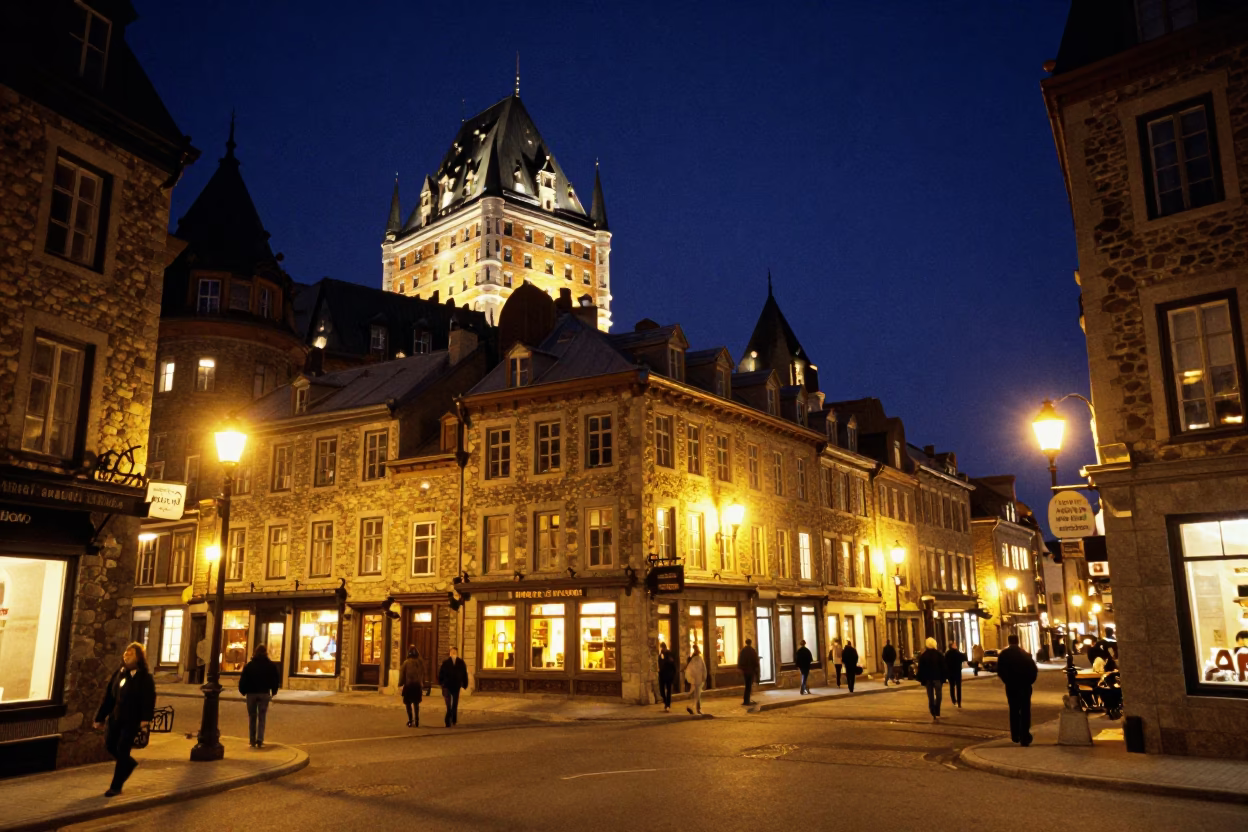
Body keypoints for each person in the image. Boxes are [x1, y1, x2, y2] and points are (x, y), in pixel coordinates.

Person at [93, 642, 155, 797]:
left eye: (131, 653)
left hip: (131, 720)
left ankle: (116, 786)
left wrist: (145, 719)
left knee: (122, 749)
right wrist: (100, 718)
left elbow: (149, 699)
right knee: (110, 745)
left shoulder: (144, 678)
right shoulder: (118, 674)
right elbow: (109, 698)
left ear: (139, 658)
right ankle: (129, 764)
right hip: (115, 718)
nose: (127, 655)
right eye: (126, 653)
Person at [997, 634, 1039, 746]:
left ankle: (1015, 734)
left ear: (1009, 641)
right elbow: (1034, 671)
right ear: (1018, 641)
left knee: (1014, 710)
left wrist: (1007, 681)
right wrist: (1029, 681)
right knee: (1025, 710)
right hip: (1025, 686)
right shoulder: (1025, 654)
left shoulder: (1004, 654)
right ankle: (1025, 734)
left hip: (1011, 686)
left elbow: (1000, 671)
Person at [238, 644, 280, 748]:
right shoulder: (270, 665)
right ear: (265, 653)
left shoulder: (249, 666)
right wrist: (274, 691)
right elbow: (275, 679)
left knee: (252, 716)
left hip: (251, 694)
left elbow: (243, 681)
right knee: (262, 717)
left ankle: (252, 740)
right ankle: (260, 739)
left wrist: (243, 691)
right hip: (264, 693)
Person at [438, 646, 469, 727]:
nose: (453, 654)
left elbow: (464, 674)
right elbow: (464, 674)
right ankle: (451, 719)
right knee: (452, 703)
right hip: (451, 685)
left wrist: (441, 682)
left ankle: (451, 719)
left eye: (454, 652)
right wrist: (464, 683)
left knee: (452, 704)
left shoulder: (458, 662)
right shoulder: (450, 662)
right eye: (452, 652)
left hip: (451, 685)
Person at [917, 637, 946, 721]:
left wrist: (922, 679)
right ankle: (937, 709)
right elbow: (943, 667)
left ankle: (932, 710)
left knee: (930, 695)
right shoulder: (939, 654)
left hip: (928, 679)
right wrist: (944, 678)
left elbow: (921, 669)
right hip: (937, 678)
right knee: (939, 694)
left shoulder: (923, 656)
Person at [399, 647, 426, 727]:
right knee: (416, 703)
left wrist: (400, 683)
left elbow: (402, 674)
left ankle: (411, 720)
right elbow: (423, 674)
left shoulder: (406, 663)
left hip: (409, 685)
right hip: (417, 686)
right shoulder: (420, 663)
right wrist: (422, 683)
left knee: (408, 703)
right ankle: (417, 719)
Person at [684, 645, 707, 715]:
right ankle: (694, 708)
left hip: (694, 679)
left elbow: (689, 669)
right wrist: (704, 677)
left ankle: (693, 707)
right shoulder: (699, 659)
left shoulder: (692, 659)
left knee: (695, 693)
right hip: (698, 679)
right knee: (697, 694)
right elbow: (704, 669)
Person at [945, 640, 967, 708]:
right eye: (954, 644)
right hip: (957, 672)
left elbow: (945, 662)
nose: (956, 645)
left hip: (950, 672)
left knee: (952, 686)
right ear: (952, 646)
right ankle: (959, 702)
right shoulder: (957, 653)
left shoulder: (947, 653)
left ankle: (954, 700)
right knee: (958, 687)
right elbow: (964, 658)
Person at [738, 638, 760, 705]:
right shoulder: (752, 651)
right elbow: (755, 662)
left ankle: (746, 700)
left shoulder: (743, 651)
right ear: (750, 643)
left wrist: (741, 669)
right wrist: (757, 672)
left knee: (747, 685)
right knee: (749, 686)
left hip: (745, 671)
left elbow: (740, 661)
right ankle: (747, 700)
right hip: (751, 671)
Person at [657, 643, 677, 712]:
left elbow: (673, 665)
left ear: (665, 648)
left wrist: (673, 675)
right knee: (661, 691)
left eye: (662, 648)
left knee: (668, 691)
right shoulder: (661, 655)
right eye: (661, 648)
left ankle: (667, 705)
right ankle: (665, 702)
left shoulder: (669, 654)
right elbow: (659, 663)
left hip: (668, 675)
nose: (662, 649)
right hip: (662, 675)